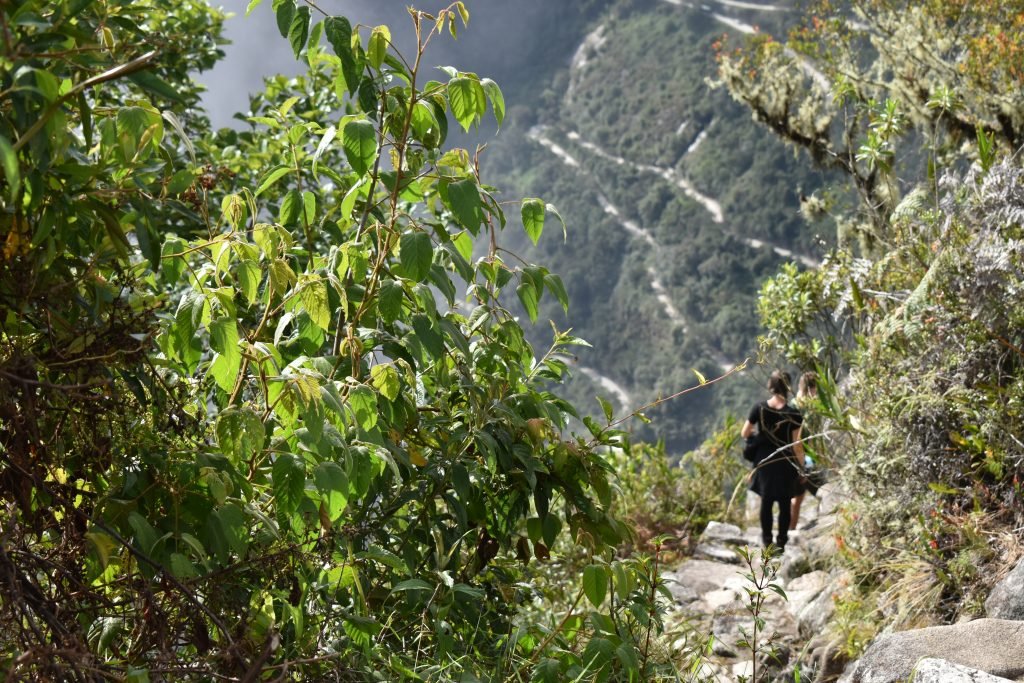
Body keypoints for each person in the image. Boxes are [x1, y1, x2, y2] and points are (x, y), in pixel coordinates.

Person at [741, 370, 804, 551]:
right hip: (785, 460)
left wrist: (759, 438)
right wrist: (801, 466)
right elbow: (796, 444)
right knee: (785, 502)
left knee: (766, 501)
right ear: (787, 387)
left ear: (770, 386)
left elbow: (745, 433)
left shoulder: (759, 408)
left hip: (764, 460)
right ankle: (782, 542)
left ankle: (767, 541)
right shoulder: (794, 414)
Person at [789, 371, 818, 530]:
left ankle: (789, 531)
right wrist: (803, 465)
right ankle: (789, 533)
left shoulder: (794, 404)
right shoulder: (800, 409)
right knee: (798, 497)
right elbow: (797, 441)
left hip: (797, 457)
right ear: (811, 389)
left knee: (797, 497)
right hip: (800, 458)